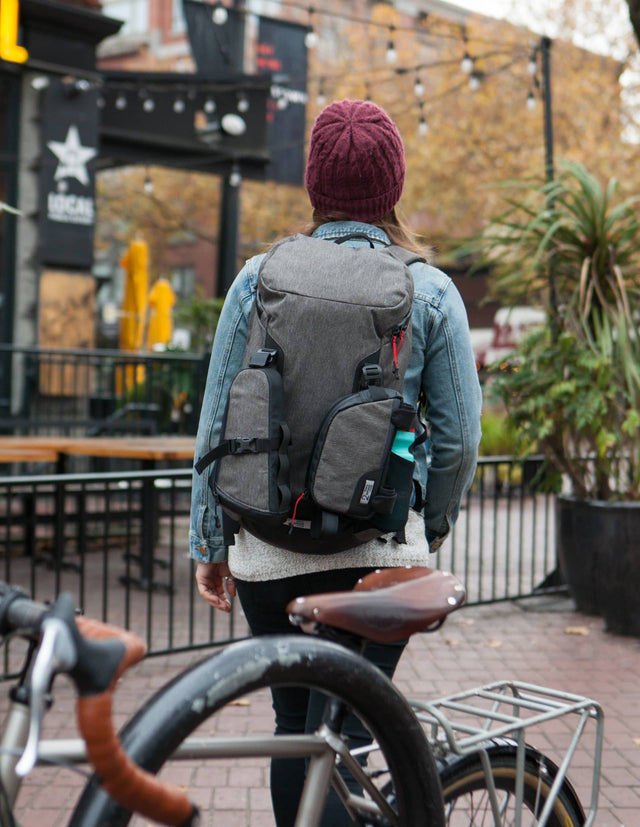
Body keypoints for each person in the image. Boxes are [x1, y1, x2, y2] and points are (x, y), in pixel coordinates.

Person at [189, 98, 482, 825]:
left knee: (297, 729)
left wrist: (209, 542)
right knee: (347, 731)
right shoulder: (431, 290)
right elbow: (460, 440)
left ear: (313, 182)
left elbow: (216, 420)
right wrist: (430, 527)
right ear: (394, 186)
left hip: (267, 550)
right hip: (378, 553)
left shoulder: (259, 278)